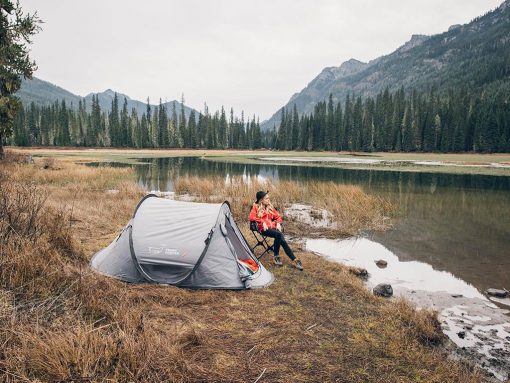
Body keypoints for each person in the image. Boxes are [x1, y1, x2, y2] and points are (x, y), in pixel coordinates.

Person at [248, 191, 303, 270]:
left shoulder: (270, 207)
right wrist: (261, 221)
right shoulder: (256, 207)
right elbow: (251, 217)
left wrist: (278, 223)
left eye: (268, 198)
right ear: (261, 200)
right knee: (279, 235)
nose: (268, 200)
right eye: (266, 198)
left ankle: (292, 259)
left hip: (273, 228)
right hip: (263, 229)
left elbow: (278, 217)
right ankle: (281, 257)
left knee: (282, 240)